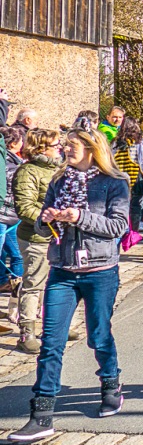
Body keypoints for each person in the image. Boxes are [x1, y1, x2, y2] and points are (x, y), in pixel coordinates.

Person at [8, 123, 130, 443]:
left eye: (73, 145)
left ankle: (110, 384)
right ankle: (43, 413)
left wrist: (79, 217)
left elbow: (117, 226)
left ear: (91, 148)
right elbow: (38, 221)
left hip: (100, 270)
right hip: (62, 269)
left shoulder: (114, 182)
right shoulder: (59, 179)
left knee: (99, 336)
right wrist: (45, 219)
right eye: (66, 145)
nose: (66, 149)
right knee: (51, 342)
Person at [13, 129, 63, 354]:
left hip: (57, 236)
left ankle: (50, 328)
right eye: (55, 145)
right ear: (41, 148)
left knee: (52, 282)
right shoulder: (28, 171)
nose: (60, 148)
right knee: (33, 283)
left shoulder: (58, 169)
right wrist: (51, 220)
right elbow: (25, 207)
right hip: (35, 237)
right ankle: (27, 333)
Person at [112, 118, 143, 246]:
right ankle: (133, 233)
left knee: (121, 206)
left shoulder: (116, 142)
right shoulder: (140, 142)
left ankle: (121, 230)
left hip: (120, 178)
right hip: (137, 177)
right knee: (136, 206)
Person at [0, 127, 25, 309]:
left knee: (13, 254)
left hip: (10, 218)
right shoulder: (11, 166)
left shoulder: (14, 163)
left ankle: (7, 284)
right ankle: (18, 300)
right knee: (16, 256)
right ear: (13, 144)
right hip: (5, 217)